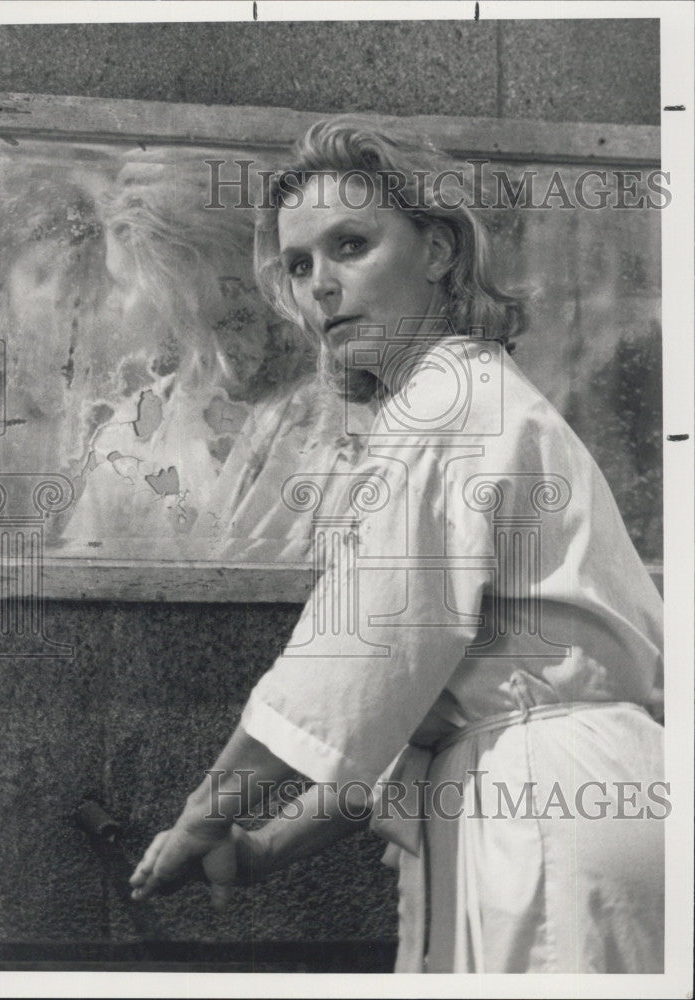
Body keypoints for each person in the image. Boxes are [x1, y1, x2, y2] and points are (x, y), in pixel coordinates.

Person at [129, 117, 665, 973]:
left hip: (546, 804)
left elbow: (360, 655)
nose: (319, 287)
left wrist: (206, 813)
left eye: (351, 245)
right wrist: (264, 849)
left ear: (440, 251)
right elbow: (399, 699)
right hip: (560, 794)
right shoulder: (467, 395)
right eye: (298, 266)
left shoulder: (449, 396)